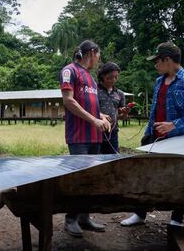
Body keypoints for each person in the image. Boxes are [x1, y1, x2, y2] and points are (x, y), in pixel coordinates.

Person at [120, 42, 184, 227]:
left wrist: (173, 125)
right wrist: (148, 133)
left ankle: (176, 219)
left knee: (180, 178)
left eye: (157, 61)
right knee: (146, 175)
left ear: (168, 60)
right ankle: (139, 214)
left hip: (179, 139)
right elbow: (154, 110)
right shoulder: (159, 81)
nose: (155, 65)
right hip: (154, 137)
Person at [60, 40, 111, 237]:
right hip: (79, 137)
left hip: (95, 137)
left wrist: (100, 116)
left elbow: (90, 105)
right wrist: (93, 120)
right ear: (92, 52)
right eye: (99, 55)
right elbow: (69, 101)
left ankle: (84, 217)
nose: (99, 59)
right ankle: (70, 219)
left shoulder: (90, 77)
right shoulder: (69, 70)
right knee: (79, 179)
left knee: (91, 179)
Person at [97, 62, 130, 154]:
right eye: (110, 77)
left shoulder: (119, 94)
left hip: (113, 133)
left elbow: (121, 116)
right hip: (96, 132)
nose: (113, 80)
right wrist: (101, 115)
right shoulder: (94, 91)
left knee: (112, 160)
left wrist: (125, 112)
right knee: (96, 161)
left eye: (116, 77)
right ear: (103, 76)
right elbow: (88, 109)